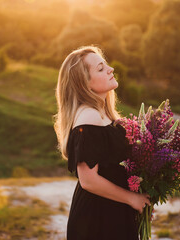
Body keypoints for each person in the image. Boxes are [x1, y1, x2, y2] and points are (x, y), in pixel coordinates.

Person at [53, 45, 151, 240]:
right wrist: (132, 199)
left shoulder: (101, 114)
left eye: (105, 64)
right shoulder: (88, 116)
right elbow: (88, 180)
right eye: (100, 68)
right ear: (84, 84)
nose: (110, 69)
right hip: (98, 219)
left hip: (112, 210)